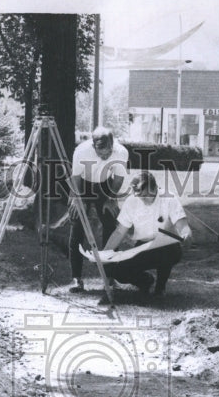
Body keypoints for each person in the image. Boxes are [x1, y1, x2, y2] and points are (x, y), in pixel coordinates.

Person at [101, 171, 191, 297]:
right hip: (143, 246)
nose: (143, 199)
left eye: (146, 195)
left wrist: (186, 234)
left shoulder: (168, 197)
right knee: (113, 269)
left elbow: (182, 225)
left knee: (166, 251)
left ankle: (160, 288)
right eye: (139, 196)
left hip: (167, 245)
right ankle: (145, 281)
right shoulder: (131, 201)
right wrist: (103, 255)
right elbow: (120, 231)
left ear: (154, 188)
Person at [68, 126, 128, 292]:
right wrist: (76, 198)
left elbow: (119, 177)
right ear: (94, 146)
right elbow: (75, 177)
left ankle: (109, 277)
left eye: (109, 152)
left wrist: (111, 198)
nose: (106, 156)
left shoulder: (121, 152)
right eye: (102, 153)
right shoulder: (81, 151)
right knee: (77, 227)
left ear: (112, 145)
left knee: (111, 226)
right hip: (83, 184)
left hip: (105, 184)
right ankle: (76, 279)